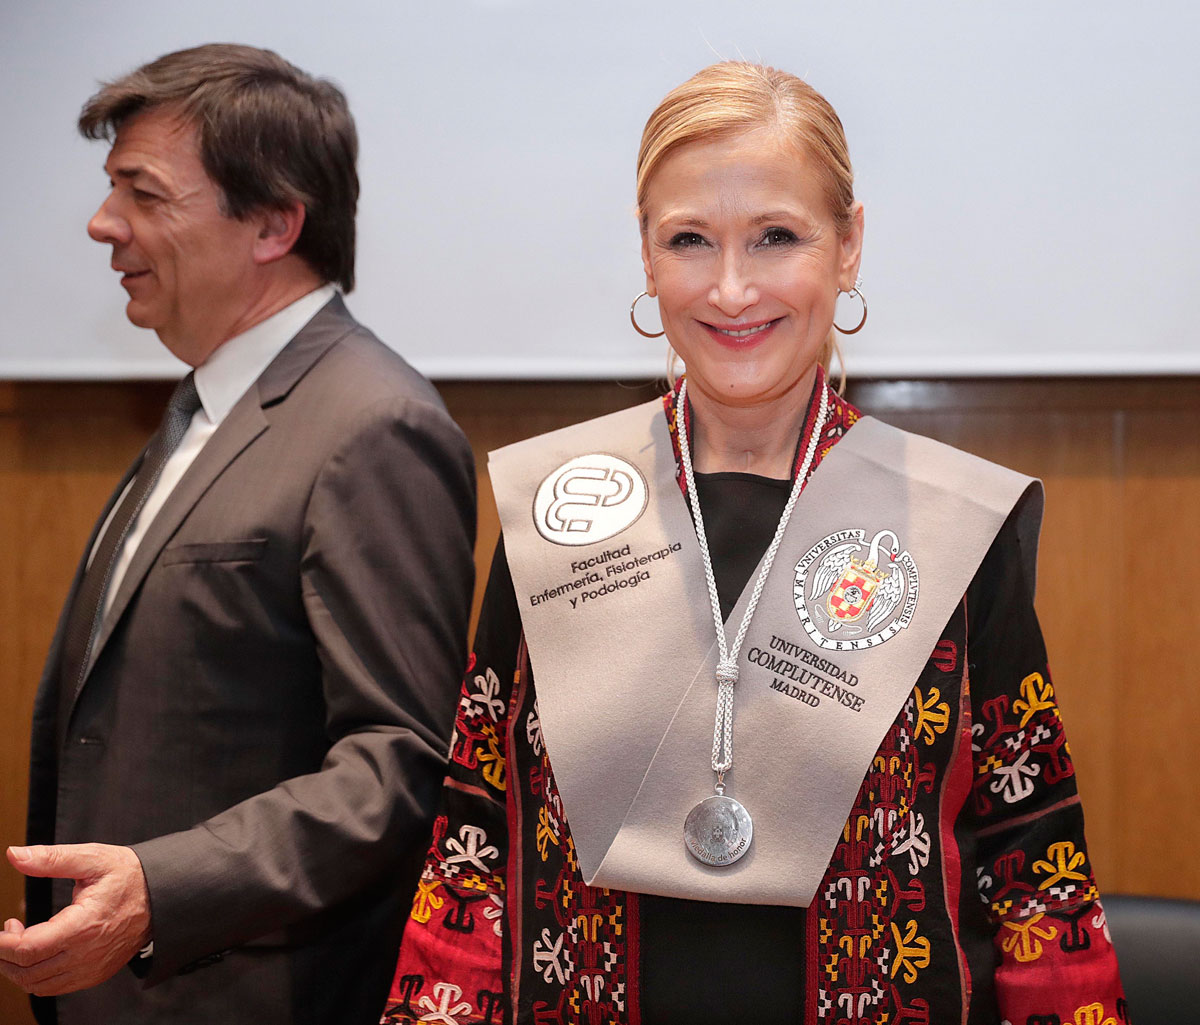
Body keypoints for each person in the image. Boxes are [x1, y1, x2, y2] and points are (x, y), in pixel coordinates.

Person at [382, 62, 1125, 1024]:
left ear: (849, 245)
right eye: (690, 240)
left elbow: (1039, 876)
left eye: (776, 236)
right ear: (647, 260)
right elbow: (471, 854)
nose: (732, 290)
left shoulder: (952, 527)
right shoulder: (558, 513)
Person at [0, 44, 476, 1025]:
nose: (102, 224)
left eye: (142, 193)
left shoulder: (371, 423)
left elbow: (398, 763)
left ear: (273, 222)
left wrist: (158, 891)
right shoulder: (205, 402)